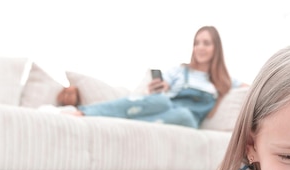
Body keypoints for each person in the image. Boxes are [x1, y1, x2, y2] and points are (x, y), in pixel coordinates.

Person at [68, 26, 246, 128]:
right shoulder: (180, 71)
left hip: (188, 118)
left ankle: (125, 125)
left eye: (206, 43)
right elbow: (163, 86)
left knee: (183, 113)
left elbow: (251, 87)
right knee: (161, 101)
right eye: (196, 43)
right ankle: (86, 112)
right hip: (167, 106)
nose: (199, 47)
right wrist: (161, 87)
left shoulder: (223, 81)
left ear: (216, 48)